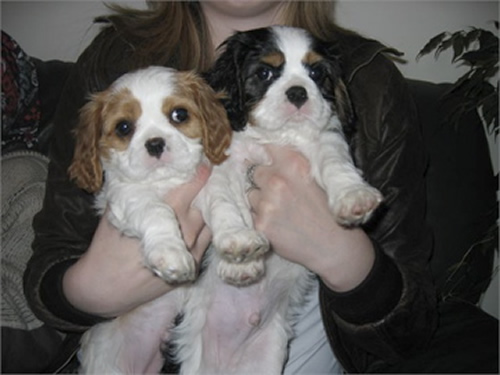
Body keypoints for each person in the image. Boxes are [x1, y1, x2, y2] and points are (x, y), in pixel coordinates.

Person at [20, 1, 498, 373]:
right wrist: (91, 290)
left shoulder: (367, 79)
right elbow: (47, 264)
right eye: (265, 73)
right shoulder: (112, 58)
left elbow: (412, 322)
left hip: (288, 345)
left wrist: (342, 253)